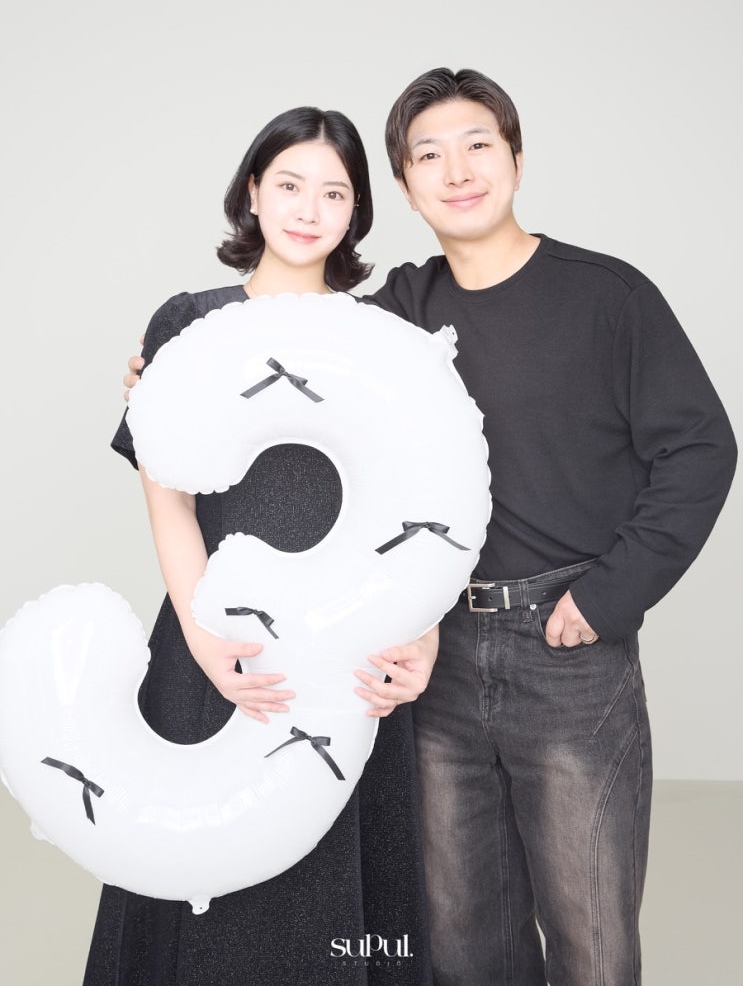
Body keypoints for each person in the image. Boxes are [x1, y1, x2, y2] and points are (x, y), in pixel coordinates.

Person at [123, 70, 738, 986]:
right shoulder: (399, 310)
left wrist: (609, 597)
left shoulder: (598, 297)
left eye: (477, 146)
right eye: (428, 156)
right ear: (407, 189)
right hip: (421, 648)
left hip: (560, 641)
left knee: (590, 937)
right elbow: (268, 371)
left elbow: (700, 449)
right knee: (457, 938)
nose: (456, 172)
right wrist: (165, 384)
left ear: (515, 157)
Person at [89, 106, 437, 986]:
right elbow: (167, 502)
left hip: (349, 647)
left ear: (356, 212)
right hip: (214, 636)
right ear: (252, 191)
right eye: (288, 184)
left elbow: (421, 508)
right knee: (204, 869)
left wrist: (419, 630)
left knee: (330, 887)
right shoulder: (187, 322)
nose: (308, 209)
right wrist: (207, 643)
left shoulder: (381, 339)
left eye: (334, 193)